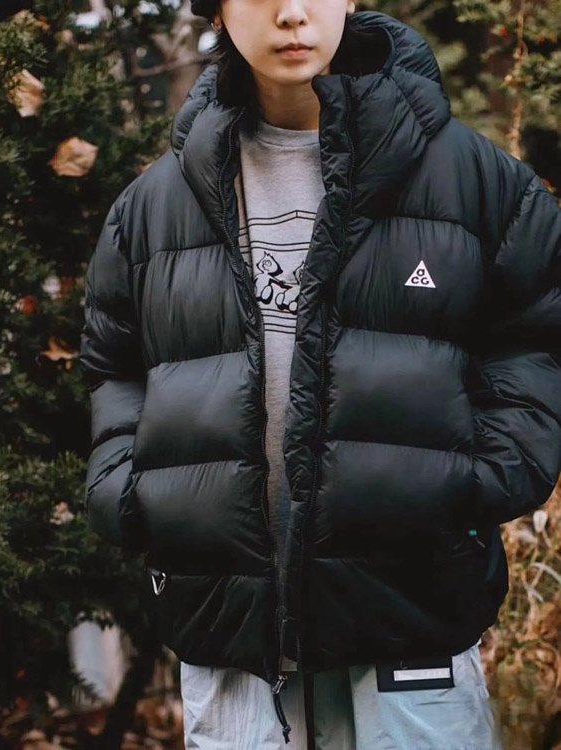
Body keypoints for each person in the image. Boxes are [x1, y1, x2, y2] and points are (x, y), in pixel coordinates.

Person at [80, 1, 561, 748]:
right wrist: (132, 492)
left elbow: (534, 339)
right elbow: (115, 366)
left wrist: (480, 479)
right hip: (228, 618)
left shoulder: (478, 184)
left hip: (410, 605)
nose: (292, 14)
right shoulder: (152, 209)